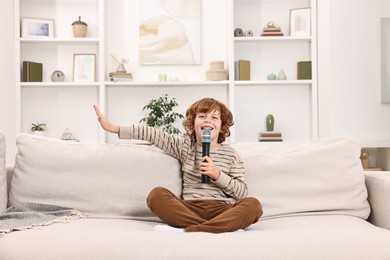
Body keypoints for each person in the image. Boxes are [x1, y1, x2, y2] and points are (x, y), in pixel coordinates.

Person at [93, 98, 262, 233]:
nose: (207, 121)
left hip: (222, 209)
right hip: (189, 208)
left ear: (222, 127)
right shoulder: (184, 146)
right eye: (202, 116)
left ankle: (190, 230)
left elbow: (242, 192)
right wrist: (113, 128)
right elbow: (151, 133)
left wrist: (218, 175)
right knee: (156, 195)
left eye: (214, 117)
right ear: (193, 123)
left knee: (253, 205)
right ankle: (218, 228)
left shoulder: (232, 155)